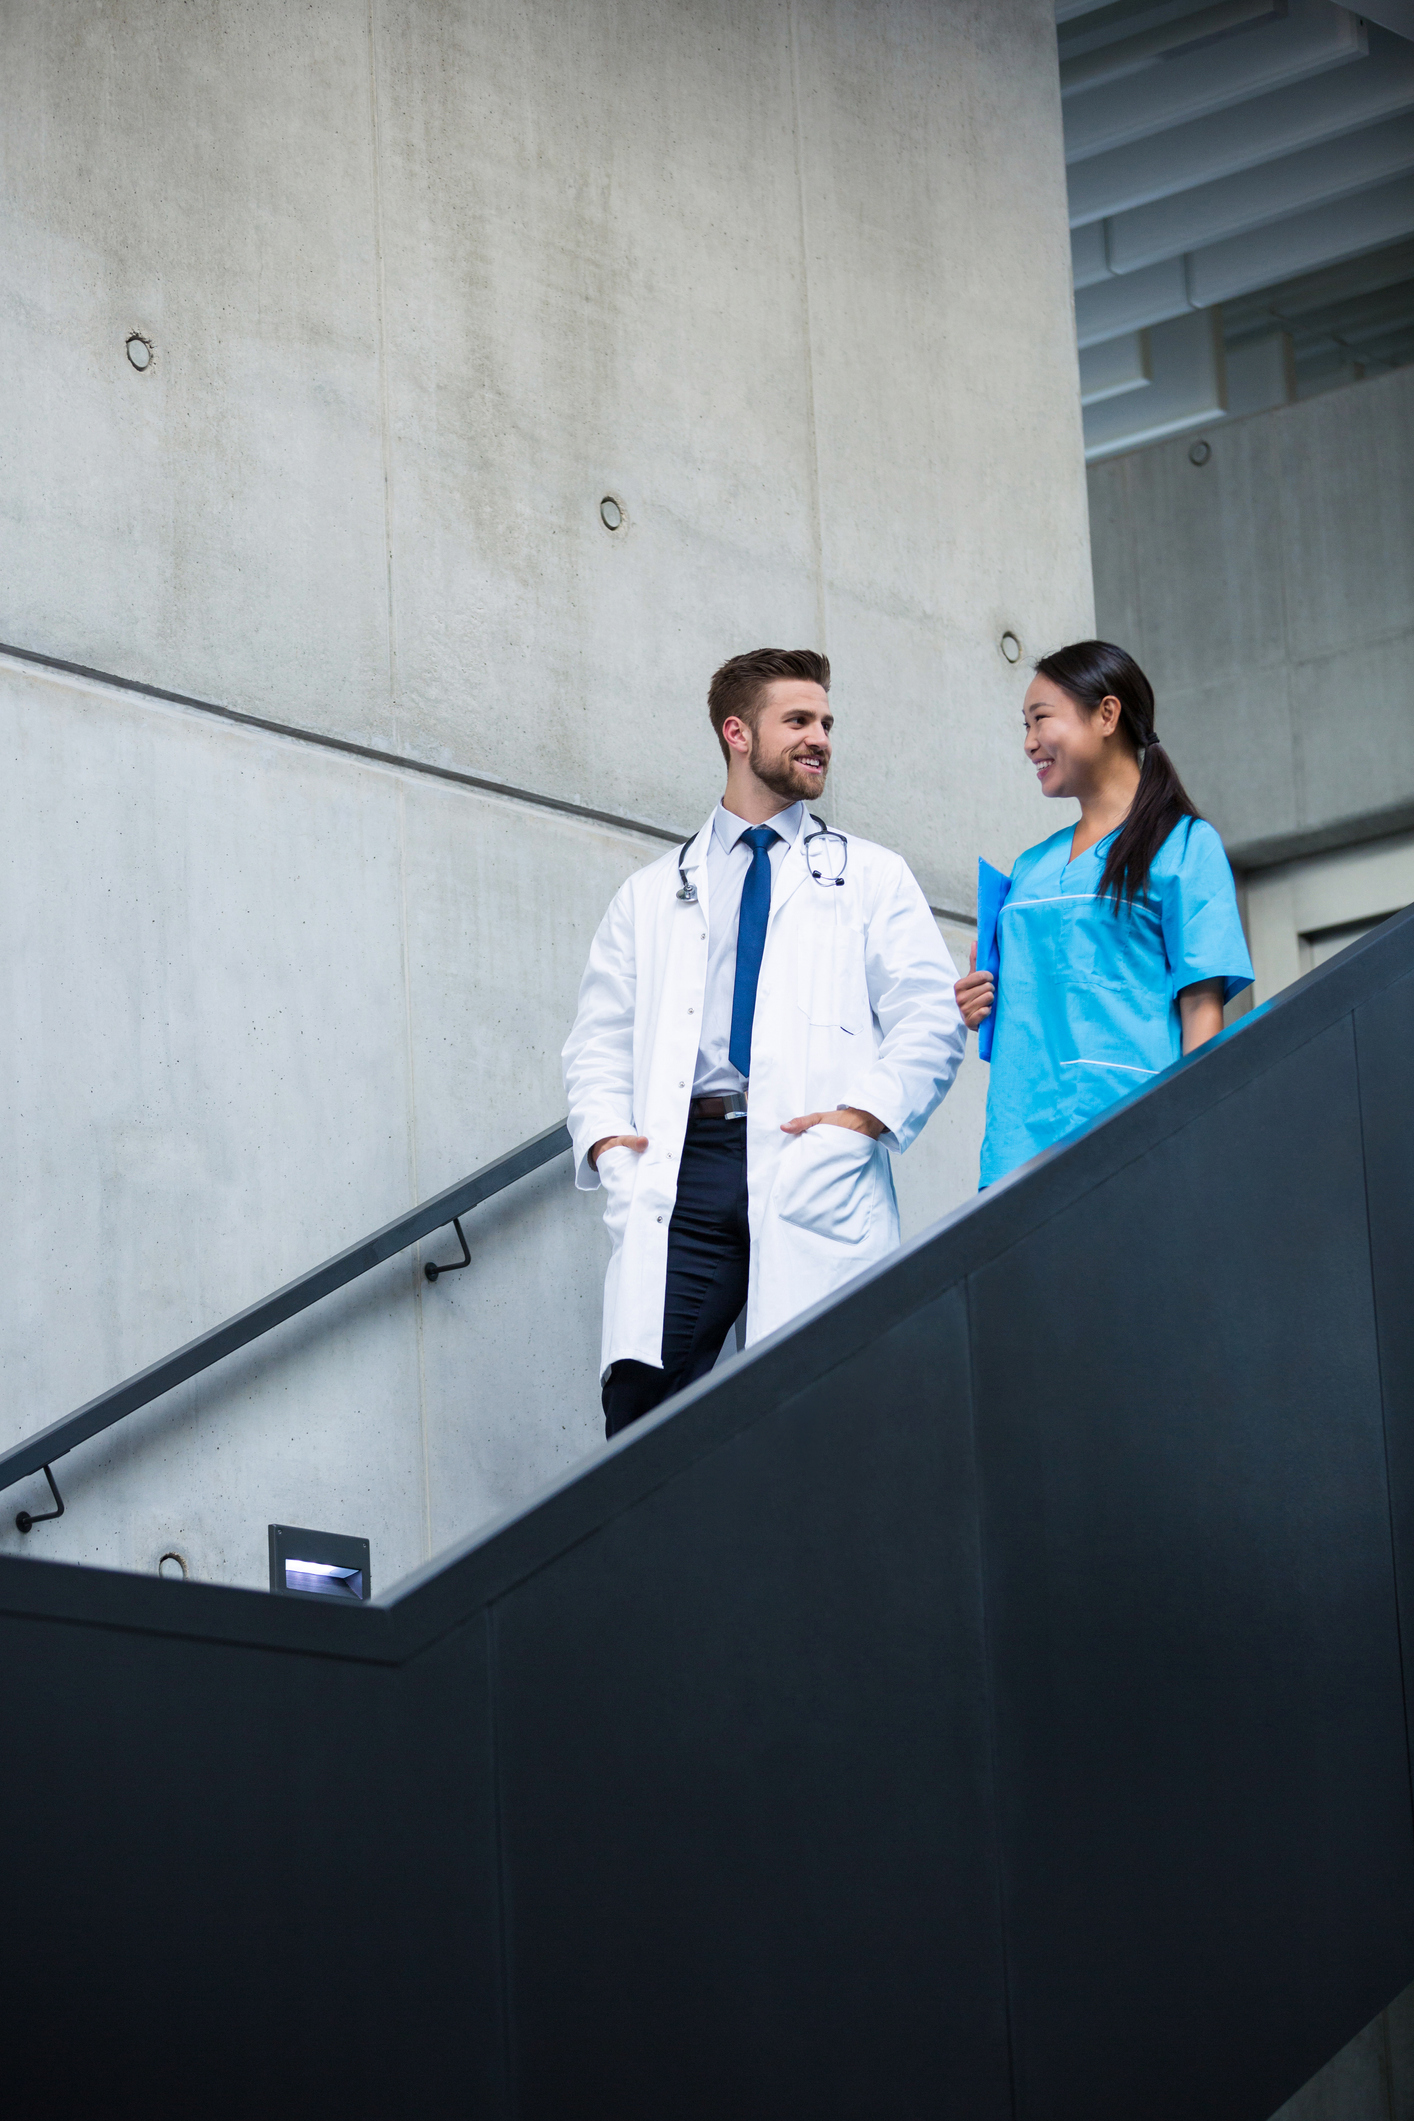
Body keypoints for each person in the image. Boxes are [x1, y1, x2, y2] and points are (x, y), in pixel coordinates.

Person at [564, 647, 966, 1438]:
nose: (820, 738)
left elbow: (930, 1014)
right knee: (642, 1412)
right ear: (737, 732)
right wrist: (614, 1148)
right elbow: (597, 1039)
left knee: (823, 1415)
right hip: (684, 1166)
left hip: (808, 1154)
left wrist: (861, 1121)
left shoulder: (872, 878)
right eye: (800, 721)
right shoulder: (650, 894)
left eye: (826, 723)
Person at [955, 639, 1253, 1188]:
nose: (1029, 743)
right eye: (1024, 725)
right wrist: (978, 1000)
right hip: (1019, 1144)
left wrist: (1194, 1131)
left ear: (1107, 714)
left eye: (1041, 719)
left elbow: (1202, 1011)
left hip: (1134, 1136)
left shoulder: (1185, 845)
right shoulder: (1028, 868)